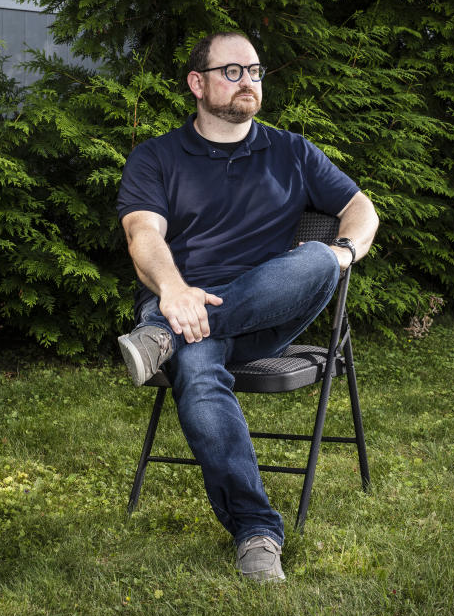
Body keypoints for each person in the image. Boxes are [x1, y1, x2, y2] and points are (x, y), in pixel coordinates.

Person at [116, 32, 379, 582]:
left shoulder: (292, 151)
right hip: (182, 306)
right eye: (233, 71)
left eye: (255, 71)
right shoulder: (157, 157)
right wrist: (176, 292)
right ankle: (258, 532)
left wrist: (348, 248)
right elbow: (142, 235)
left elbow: (360, 207)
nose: (248, 82)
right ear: (198, 83)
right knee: (197, 364)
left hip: (268, 312)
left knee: (318, 260)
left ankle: (160, 336)